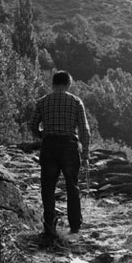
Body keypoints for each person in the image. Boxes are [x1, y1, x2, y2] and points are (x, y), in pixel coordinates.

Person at [29, 70, 91, 238]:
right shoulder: (76, 102)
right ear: (68, 84)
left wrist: (44, 135)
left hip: (49, 145)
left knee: (48, 186)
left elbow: (33, 125)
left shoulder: (42, 102)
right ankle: (75, 225)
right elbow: (84, 129)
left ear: (53, 84)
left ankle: (49, 226)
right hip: (69, 146)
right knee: (72, 185)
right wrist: (85, 153)